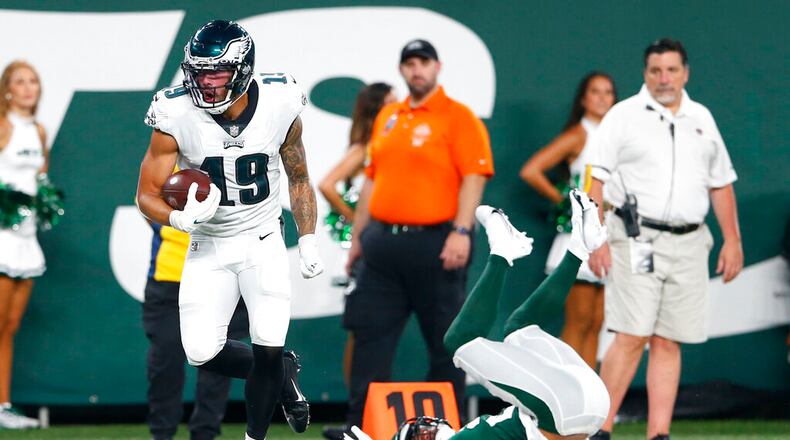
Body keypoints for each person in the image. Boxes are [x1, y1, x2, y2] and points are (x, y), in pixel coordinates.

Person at [136, 20, 322, 440]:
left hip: (262, 239)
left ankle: (255, 434)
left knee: (266, 341)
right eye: (199, 74)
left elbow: (299, 176)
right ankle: (283, 369)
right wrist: (177, 218)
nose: (207, 84)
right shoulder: (175, 112)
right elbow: (146, 194)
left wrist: (307, 237)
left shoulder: (280, 101)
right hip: (208, 242)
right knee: (201, 352)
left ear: (241, 70)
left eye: (216, 74)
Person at [344, 189, 611, 440]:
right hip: (566, 405)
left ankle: (578, 247)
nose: (427, 429)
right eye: (418, 434)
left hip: (583, 405)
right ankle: (502, 252)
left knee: (520, 326)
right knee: (460, 341)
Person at [330, 38, 495, 439]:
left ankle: (448, 430)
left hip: (436, 243)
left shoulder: (458, 117)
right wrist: (357, 239)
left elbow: (474, 175)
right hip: (383, 244)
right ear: (402, 70)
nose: (416, 70)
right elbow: (372, 180)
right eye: (409, 64)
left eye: (423, 62)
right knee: (370, 338)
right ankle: (359, 428)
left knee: (446, 343)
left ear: (437, 67)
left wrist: (461, 230)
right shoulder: (389, 116)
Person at [586, 38, 744, 440]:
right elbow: (595, 179)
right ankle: (599, 430)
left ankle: (659, 434)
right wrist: (596, 238)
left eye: (672, 70)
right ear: (645, 74)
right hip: (636, 237)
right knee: (631, 334)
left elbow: (721, 183)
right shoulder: (624, 116)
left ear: (685, 73)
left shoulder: (701, 118)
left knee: (669, 339)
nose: (664, 78)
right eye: (656, 70)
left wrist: (732, 240)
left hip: (690, 242)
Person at [143, 220, 309, 440]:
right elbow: (147, 197)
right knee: (166, 362)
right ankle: (161, 435)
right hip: (173, 268)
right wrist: (178, 217)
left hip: (230, 266)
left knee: (217, 364)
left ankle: (205, 435)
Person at [520, 72, 616, 368]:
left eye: (608, 92)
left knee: (597, 322)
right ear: (584, 99)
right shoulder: (579, 134)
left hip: (609, 232)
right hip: (582, 235)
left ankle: (590, 402)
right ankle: (569, 398)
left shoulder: (615, 134)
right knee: (579, 319)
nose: (602, 98)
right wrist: (566, 201)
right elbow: (531, 170)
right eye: (595, 92)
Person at [318, 82, 396, 388]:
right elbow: (327, 184)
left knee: (380, 326)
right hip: (369, 248)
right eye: (391, 104)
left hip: (389, 243)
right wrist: (356, 221)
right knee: (364, 328)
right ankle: (359, 403)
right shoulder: (364, 148)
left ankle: (371, 403)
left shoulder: (388, 146)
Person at [0, 60, 50, 430]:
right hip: (1, 235)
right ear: (6, 89)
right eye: (20, 81)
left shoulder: (39, 130)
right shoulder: (2, 127)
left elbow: (41, 181)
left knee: (11, 325)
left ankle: (3, 405)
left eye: (33, 81)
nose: (28, 87)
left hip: (27, 238)